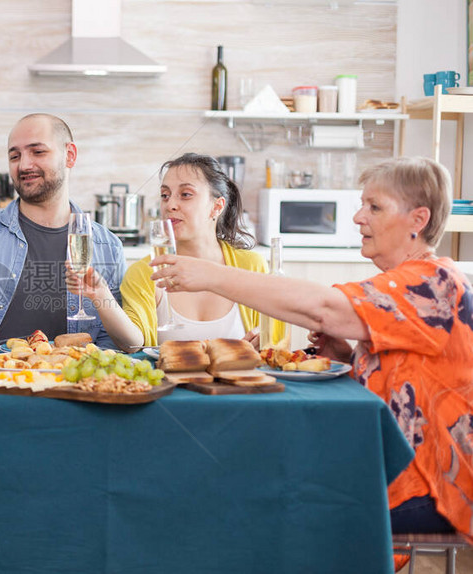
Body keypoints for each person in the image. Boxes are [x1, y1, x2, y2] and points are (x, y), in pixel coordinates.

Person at [150, 156, 473, 543]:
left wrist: (209, 275)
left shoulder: (435, 283)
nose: (357, 217)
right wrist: (348, 357)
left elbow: (323, 309)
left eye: (374, 207)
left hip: (433, 483)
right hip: (399, 464)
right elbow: (410, 379)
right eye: (361, 204)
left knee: (265, 494)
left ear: (418, 221)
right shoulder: (408, 280)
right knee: (254, 473)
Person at [0, 113, 126, 349]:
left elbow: (111, 343)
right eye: (15, 156)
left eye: (38, 152)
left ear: (69, 156)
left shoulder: (108, 247)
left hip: (68, 378)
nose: (24, 165)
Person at [66, 153, 270, 351]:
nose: (170, 205)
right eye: (165, 195)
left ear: (217, 207)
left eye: (186, 195)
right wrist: (101, 294)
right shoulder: (144, 272)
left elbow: (275, 340)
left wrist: (267, 338)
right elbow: (133, 343)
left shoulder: (252, 266)